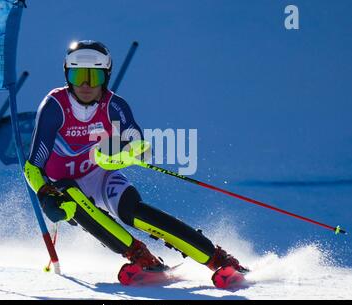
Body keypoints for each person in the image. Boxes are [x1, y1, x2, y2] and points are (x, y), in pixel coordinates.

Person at [23, 40, 247, 285]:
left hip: (101, 176)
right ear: (67, 75)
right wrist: (45, 193)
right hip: (64, 188)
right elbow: (33, 166)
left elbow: (139, 144)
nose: (85, 84)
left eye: (94, 76)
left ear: (106, 76)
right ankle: (140, 256)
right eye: (78, 75)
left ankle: (217, 259)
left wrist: (117, 149)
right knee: (71, 196)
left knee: (132, 212)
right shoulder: (55, 106)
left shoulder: (114, 106)